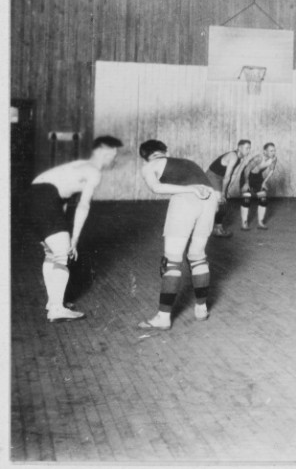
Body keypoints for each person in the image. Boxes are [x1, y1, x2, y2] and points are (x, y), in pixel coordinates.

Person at [26, 136, 122, 321]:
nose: (114, 159)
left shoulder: (78, 165)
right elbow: (83, 206)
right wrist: (74, 239)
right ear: (104, 151)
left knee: (52, 254)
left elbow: (60, 199)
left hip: (32, 198)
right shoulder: (94, 171)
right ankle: (56, 309)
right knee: (63, 254)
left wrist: (60, 226)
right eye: (113, 154)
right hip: (44, 198)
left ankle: (53, 301)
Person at [137, 139, 225, 329]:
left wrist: (189, 190)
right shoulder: (188, 162)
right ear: (165, 152)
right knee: (197, 256)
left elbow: (157, 188)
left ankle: (163, 318)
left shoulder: (149, 165)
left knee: (172, 260)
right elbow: (212, 191)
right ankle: (201, 308)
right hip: (209, 201)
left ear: (145, 157)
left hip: (186, 200)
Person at [207, 140, 250, 238]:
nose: (248, 150)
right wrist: (222, 193)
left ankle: (217, 228)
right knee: (220, 201)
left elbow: (233, 175)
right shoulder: (233, 156)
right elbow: (227, 176)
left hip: (221, 178)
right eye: (247, 148)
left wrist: (227, 190)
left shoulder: (241, 158)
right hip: (213, 176)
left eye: (249, 148)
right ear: (239, 147)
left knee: (223, 203)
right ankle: (208, 227)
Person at [237, 142, 279, 230]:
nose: (273, 152)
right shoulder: (258, 158)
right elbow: (246, 170)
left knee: (263, 199)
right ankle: (244, 223)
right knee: (246, 198)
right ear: (265, 152)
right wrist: (246, 183)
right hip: (246, 176)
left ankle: (260, 222)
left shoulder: (274, 159)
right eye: (271, 151)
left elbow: (271, 170)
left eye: (274, 150)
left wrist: (264, 182)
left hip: (257, 177)